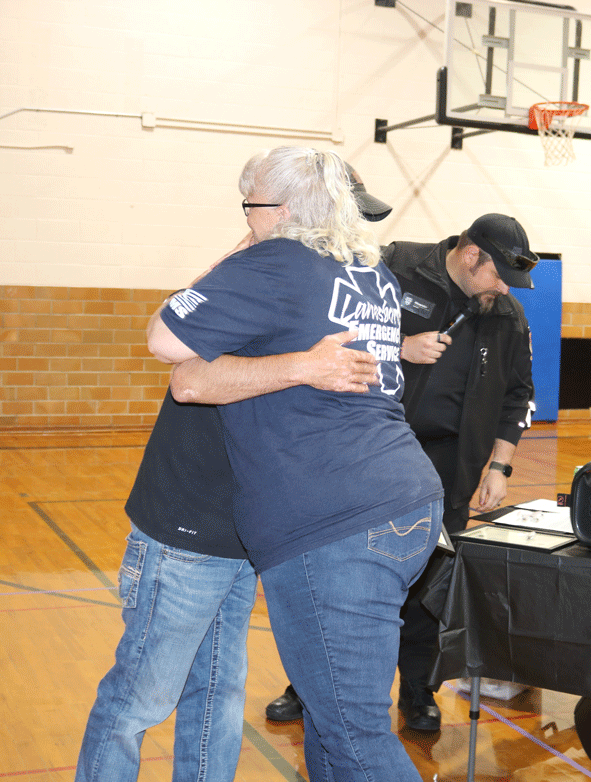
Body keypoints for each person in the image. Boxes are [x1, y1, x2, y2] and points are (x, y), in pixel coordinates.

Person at [74, 163, 391, 782]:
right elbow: (177, 360)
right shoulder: (264, 270)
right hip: (187, 524)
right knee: (141, 695)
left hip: (250, 531)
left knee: (218, 694)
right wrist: (248, 260)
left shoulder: (332, 280)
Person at [147, 146, 444, 782]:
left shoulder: (276, 261)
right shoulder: (372, 274)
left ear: (279, 209)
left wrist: (243, 255)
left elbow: (166, 339)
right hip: (403, 501)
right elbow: (195, 378)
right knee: (331, 726)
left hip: (335, 524)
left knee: (356, 735)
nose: (244, 220)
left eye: (249, 206)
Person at [267, 213, 537, 730]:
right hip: (367, 458)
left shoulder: (507, 316)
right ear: (471, 253)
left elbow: (518, 395)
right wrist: (400, 347)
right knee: (342, 581)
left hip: (447, 473)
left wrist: (500, 465)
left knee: (433, 589)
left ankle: (418, 690)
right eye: (498, 275)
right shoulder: (390, 268)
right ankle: (308, 689)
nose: (504, 289)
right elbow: (324, 340)